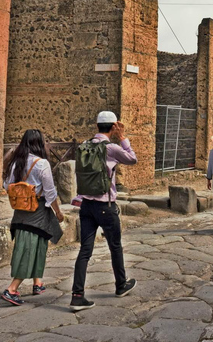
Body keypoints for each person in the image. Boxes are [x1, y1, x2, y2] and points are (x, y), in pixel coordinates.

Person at [69, 111, 138, 312]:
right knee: (115, 246)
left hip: (86, 205)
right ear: (114, 126)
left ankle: (77, 295)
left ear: (97, 125)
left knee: (85, 250)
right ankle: (121, 285)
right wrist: (123, 137)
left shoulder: (85, 144)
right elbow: (132, 159)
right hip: (105, 206)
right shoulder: (112, 148)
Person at [1, 129, 64, 306]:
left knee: (37, 245)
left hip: (20, 211)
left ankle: (38, 283)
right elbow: (50, 193)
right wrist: (58, 213)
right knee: (29, 248)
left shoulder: (16, 163)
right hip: (37, 211)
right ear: (39, 143)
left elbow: (7, 186)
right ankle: (12, 289)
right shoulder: (41, 163)